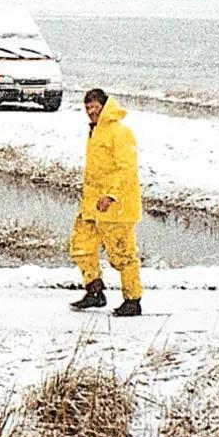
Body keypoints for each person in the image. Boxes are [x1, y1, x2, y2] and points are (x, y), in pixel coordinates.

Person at [69, 87, 143, 317]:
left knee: (121, 254)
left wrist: (111, 195)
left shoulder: (119, 132)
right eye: (87, 108)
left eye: (95, 107)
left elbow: (126, 168)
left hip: (116, 207)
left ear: (104, 106)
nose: (91, 112)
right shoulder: (95, 131)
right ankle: (94, 291)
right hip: (92, 204)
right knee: (81, 247)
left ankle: (132, 300)